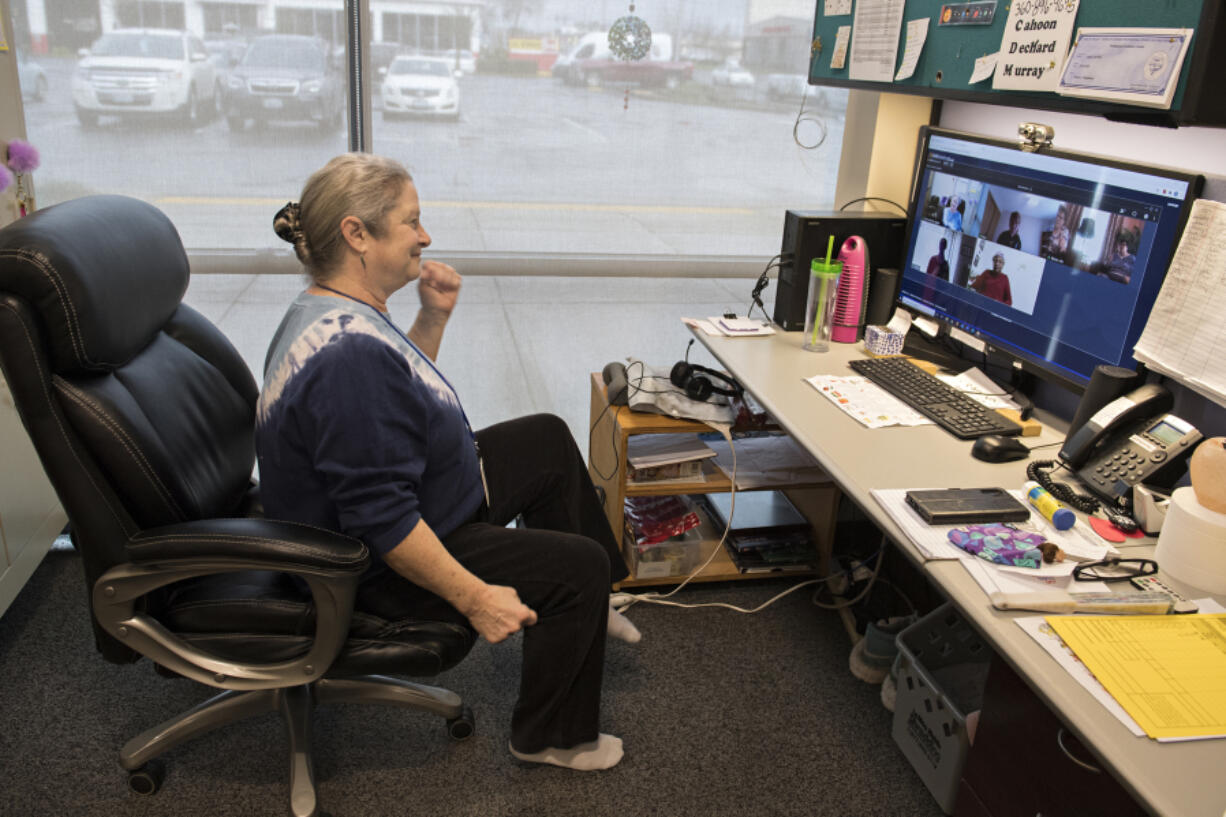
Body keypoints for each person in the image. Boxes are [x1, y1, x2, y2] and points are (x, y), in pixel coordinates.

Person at [256, 153, 636, 772]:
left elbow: (401, 394)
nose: (425, 236)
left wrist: (432, 317)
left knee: (543, 437)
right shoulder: (347, 356)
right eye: (411, 221)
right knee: (576, 566)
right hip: (375, 560)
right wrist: (476, 598)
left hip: (417, 499)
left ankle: (592, 608)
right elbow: (380, 518)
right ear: (357, 235)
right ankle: (552, 738)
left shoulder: (330, 309)